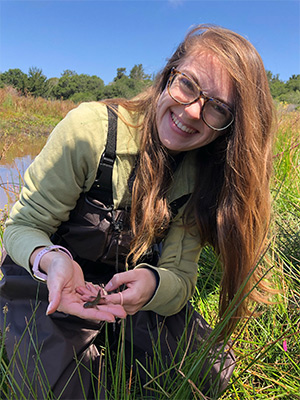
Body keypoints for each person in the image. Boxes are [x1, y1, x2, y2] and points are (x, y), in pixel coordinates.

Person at [0, 24, 274, 399]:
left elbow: (180, 276)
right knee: (59, 392)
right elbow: (22, 226)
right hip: (48, 283)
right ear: (167, 77)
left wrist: (153, 287)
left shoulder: (203, 176)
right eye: (188, 85)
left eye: (217, 109)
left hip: (125, 293)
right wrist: (51, 260)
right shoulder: (89, 132)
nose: (193, 112)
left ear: (229, 128)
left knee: (213, 374)